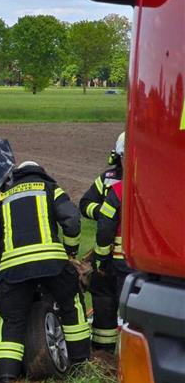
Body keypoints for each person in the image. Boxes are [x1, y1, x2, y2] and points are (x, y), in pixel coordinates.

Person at [0, 161, 90, 383]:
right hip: (52, 265)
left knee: (10, 322)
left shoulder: (2, 198)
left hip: (15, 270)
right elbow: (72, 221)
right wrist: (71, 251)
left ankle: (6, 381)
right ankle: (81, 363)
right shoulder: (51, 189)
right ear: (40, 172)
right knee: (71, 305)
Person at [79, 131, 125, 351]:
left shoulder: (119, 187)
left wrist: (110, 215)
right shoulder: (108, 179)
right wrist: (105, 212)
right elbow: (85, 203)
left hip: (115, 254)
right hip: (115, 253)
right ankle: (103, 354)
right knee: (105, 300)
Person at [90, 179, 130, 352]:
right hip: (153, 264)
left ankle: (105, 354)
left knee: (110, 301)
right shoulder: (161, 185)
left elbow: (106, 225)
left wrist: (101, 258)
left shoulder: (119, 189)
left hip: (121, 260)